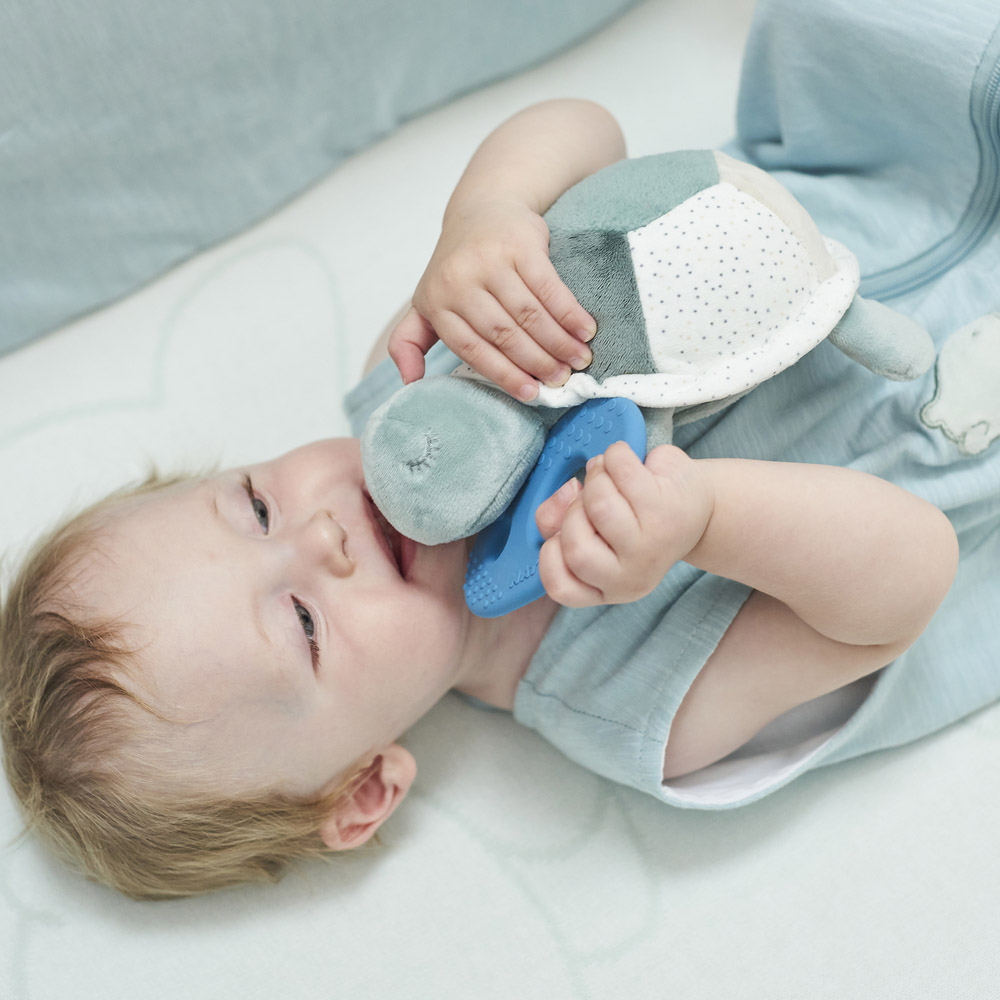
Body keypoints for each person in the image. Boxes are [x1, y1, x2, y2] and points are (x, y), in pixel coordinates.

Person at [0, 97, 975, 902]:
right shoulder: (623, 696)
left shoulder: (415, 375)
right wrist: (704, 518)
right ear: (364, 788)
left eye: (256, 505)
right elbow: (909, 574)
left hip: (893, 150)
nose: (324, 532)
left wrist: (485, 215)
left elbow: (588, 131)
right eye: (301, 621)